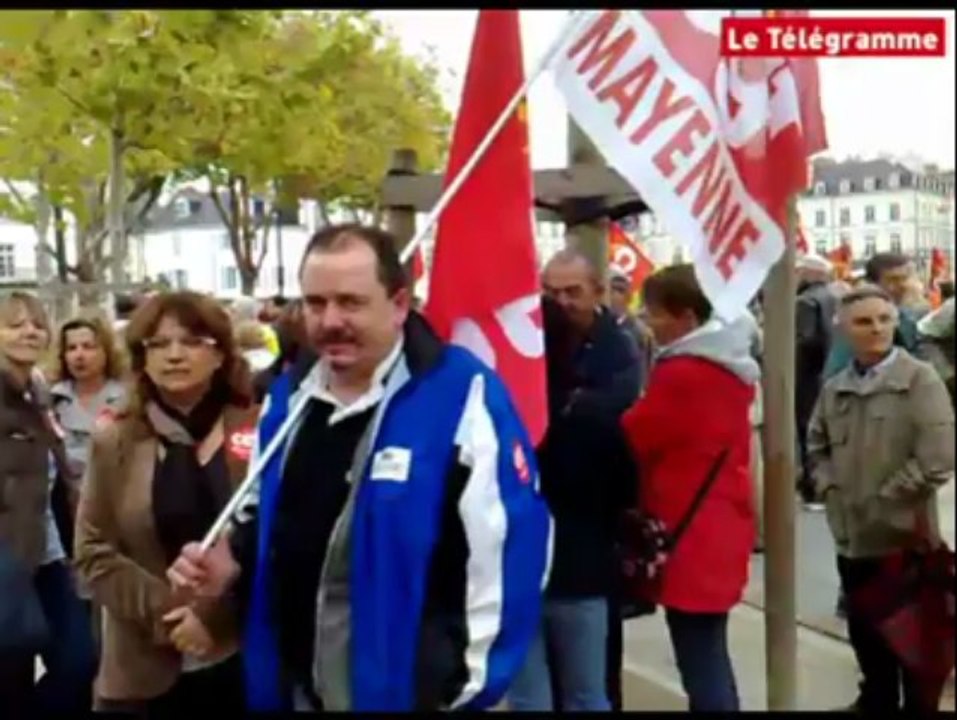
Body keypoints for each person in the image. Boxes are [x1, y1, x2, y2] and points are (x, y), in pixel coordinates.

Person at [167, 224, 552, 712]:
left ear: (398, 304)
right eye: (315, 302)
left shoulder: (463, 397)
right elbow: (263, 514)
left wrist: (460, 690)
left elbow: (510, 555)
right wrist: (232, 561)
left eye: (350, 302)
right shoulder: (289, 398)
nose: (329, 321)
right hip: (294, 689)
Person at [74, 292, 260, 713]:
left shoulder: (260, 432)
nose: (174, 355)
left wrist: (215, 619)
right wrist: (175, 615)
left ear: (220, 355)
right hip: (143, 670)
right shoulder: (116, 440)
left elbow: (275, 541)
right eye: (157, 344)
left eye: (193, 342)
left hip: (240, 657)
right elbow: (91, 553)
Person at [808, 285, 954, 713]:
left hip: (904, 538)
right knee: (865, 633)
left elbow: (939, 458)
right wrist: (830, 487)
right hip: (851, 537)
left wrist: (886, 499)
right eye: (864, 322)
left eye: (884, 320)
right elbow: (816, 445)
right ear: (844, 329)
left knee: (910, 639)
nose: (876, 329)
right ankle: (875, 699)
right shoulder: (836, 388)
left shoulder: (919, 380)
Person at [620, 265, 758, 712]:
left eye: (656, 313)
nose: (647, 322)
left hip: (689, 532)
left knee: (700, 658)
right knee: (707, 646)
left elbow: (637, 433)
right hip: (718, 523)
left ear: (687, 317)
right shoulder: (729, 368)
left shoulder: (683, 372)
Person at [507, 253, 639, 713]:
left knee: (558, 691)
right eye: (552, 292)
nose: (562, 302)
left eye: (572, 292)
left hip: (564, 564)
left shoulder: (619, 353)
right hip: (563, 567)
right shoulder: (585, 415)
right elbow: (625, 485)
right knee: (580, 691)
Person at [0, 292, 97, 715]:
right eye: (14, 324)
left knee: (79, 658)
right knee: (11, 668)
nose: (29, 332)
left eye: (37, 324)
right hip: (8, 552)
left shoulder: (39, 392)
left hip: (51, 549)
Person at [824, 253, 920, 379]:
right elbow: (836, 372)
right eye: (893, 280)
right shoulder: (855, 317)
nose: (902, 286)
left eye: (904, 279)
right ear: (872, 283)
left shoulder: (906, 317)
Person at [795, 255, 839, 509]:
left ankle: (813, 486)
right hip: (830, 371)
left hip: (808, 376)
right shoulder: (836, 296)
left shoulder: (805, 301)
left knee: (808, 430)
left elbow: (804, 341)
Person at [608, 269, 653, 391]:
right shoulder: (594, 326)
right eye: (611, 289)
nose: (615, 295)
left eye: (620, 290)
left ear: (629, 297)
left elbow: (645, 373)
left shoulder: (640, 332)